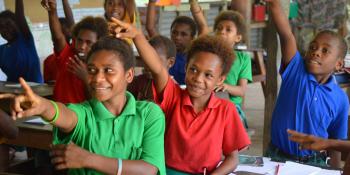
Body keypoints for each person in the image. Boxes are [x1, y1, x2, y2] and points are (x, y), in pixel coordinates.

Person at [0, 37, 166, 175]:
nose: (97, 78)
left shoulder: (149, 114)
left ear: (129, 75)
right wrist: (43, 106)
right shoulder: (84, 113)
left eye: (108, 70)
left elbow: (149, 169)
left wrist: (89, 159)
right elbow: (65, 115)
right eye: (92, 70)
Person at [111, 18, 250, 174]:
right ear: (186, 68)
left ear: (220, 79)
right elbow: (157, 68)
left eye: (208, 75)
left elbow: (232, 158)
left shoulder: (226, 110)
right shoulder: (173, 96)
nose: (198, 79)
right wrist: (137, 35)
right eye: (194, 70)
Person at [265, 0, 349, 168]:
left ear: (338, 64)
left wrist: (333, 171)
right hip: (276, 158)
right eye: (313, 47)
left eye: (325, 50)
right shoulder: (295, 69)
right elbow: (286, 34)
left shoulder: (340, 99)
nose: (316, 52)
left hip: (314, 163)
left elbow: (335, 143)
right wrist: (274, 4)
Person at [190, 0, 252, 128]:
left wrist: (226, 87)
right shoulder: (211, 55)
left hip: (231, 108)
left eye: (228, 30)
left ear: (238, 38)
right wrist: (194, 4)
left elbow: (241, 90)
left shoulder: (243, 59)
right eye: (219, 29)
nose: (222, 32)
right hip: (206, 103)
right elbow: (201, 23)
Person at [41, 0, 108, 104]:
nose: (82, 46)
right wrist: (52, 12)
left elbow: (96, 102)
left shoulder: (101, 67)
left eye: (88, 42)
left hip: (82, 117)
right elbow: (57, 37)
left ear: (98, 43)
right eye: (79, 40)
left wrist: (85, 78)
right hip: (60, 114)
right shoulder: (69, 55)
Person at [146, 0, 198, 85]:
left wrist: (193, 3)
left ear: (192, 38)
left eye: (183, 34)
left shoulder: (195, 56)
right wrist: (152, 2)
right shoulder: (165, 49)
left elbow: (204, 29)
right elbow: (150, 28)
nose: (177, 37)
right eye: (174, 32)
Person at [0, 0, 43, 83]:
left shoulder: (25, 39)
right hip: (13, 92)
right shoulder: (1, 50)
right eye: (1, 27)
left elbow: (20, 16)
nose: (5, 29)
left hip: (35, 92)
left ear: (17, 24)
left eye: (8, 24)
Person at [128, 35, 175, 101]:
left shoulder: (173, 90)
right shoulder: (138, 81)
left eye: (156, 60)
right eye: (147, 59)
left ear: (170, 62)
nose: (149, 64)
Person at [43, 0, 75, 83]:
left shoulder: (76, 52)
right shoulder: (48, 61)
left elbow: (72, 24)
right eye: (55, 31)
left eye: (64, 31)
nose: (60, 35)